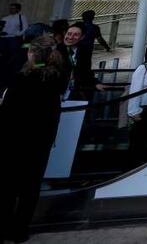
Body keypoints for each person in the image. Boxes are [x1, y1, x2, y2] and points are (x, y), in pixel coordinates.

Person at [0, 35, 65, 243]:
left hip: (14, 141)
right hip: (39, 143)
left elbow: (7, 112)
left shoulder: (22, 80)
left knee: (8, 185)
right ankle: (20, 229)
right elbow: (54, 114)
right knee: (30, 187)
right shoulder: (55, 81)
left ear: (31, 54)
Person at [60, 22, 106, 101]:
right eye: (69, 33)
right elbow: (40, 66)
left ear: (82, 37)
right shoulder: (54, 50)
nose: (70, 37)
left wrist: (95, 83)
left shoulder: (83, 51)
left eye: (76, 35)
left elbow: (86, 71)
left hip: (72, 93)